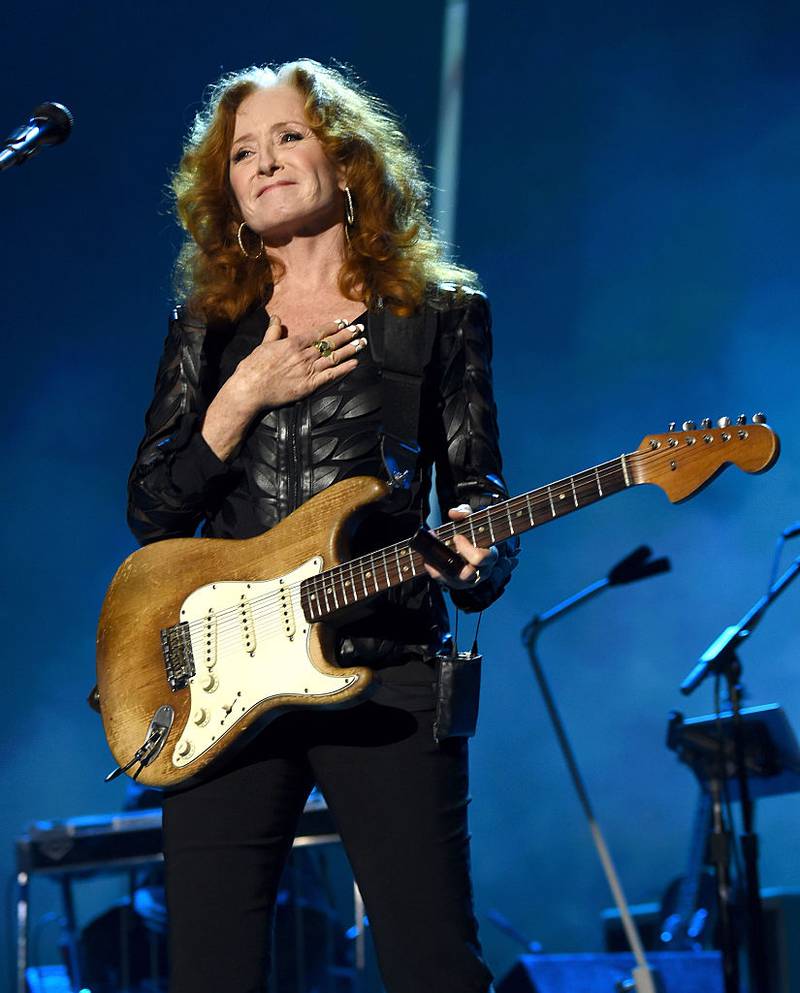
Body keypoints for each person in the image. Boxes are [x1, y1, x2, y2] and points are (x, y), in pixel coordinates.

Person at [127, 58, 518, 993]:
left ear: (346, 162)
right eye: (242, 153)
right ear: (223, 193)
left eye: (288, 137)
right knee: (210, 972)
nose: (263, 162)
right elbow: (150, 509)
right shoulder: (206, 327)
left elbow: (482, 493)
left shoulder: (439, 317)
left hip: (386, 670)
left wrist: (478, 554)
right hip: (226, 682)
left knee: (433, 964)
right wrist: (239, 397)